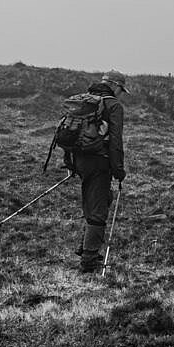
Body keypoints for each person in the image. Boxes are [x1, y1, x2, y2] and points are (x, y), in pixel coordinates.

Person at [65, 70, 127, 273]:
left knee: (98, 199)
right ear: (115, 86)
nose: (121, 93)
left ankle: (85, 247)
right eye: (121, 89)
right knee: (98, 208)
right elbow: (115, 141)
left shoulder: (84, 101)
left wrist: (70, 162)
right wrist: (118, 169)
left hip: (80, 158)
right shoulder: (114, 105)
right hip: (99, 161)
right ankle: (89, 260)